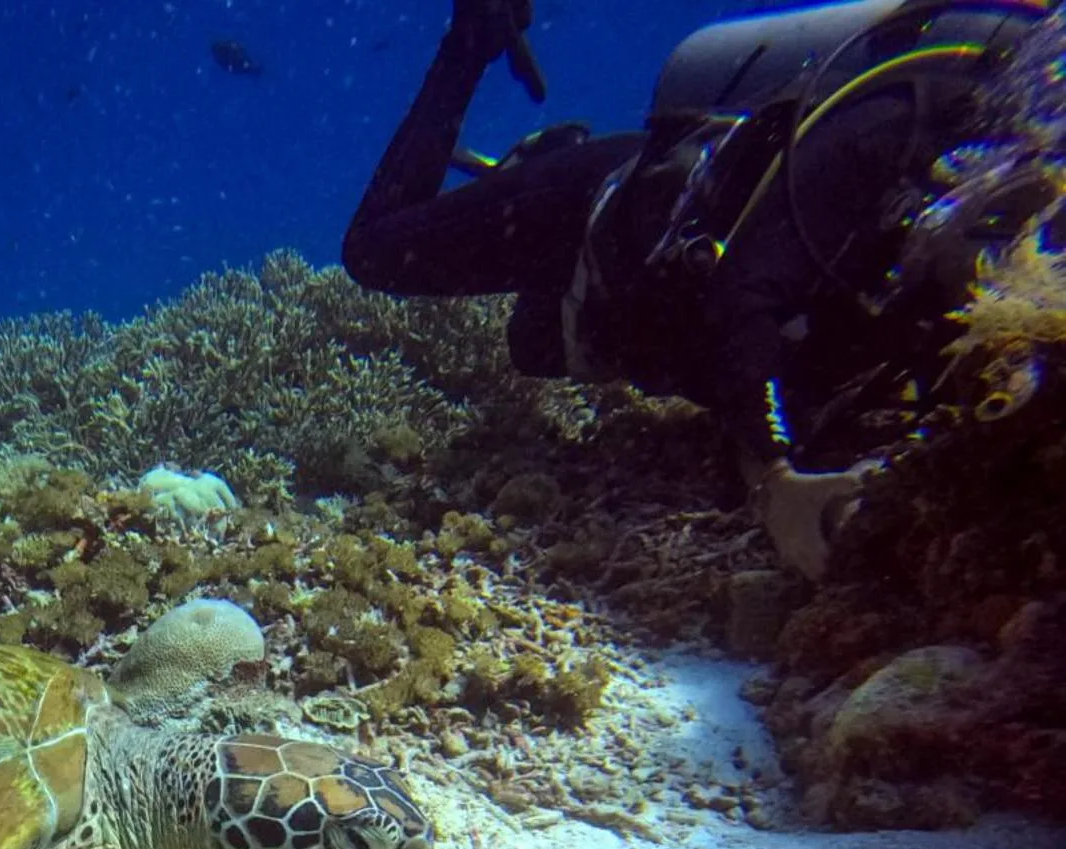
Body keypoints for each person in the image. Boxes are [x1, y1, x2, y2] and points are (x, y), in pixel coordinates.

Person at [343, 0, 1054, 578]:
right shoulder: (901, 118)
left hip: (637, 291)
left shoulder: (998, 217)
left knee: (537, 346)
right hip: (601, 206)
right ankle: (474, 38)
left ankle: (528, 174)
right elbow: (745, 291)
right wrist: (776, 476)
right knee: (376, 254)